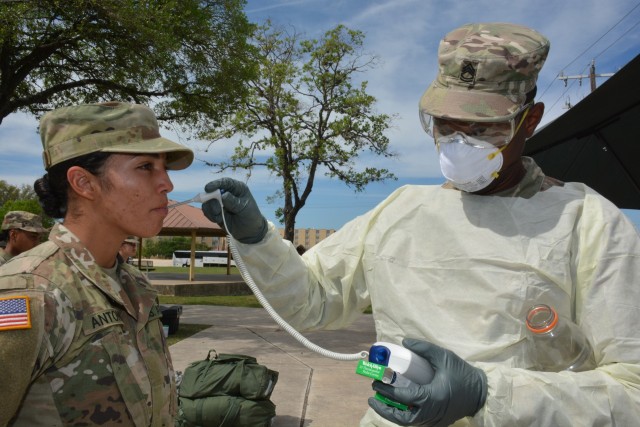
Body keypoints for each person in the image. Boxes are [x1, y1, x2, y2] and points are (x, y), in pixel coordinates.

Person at [200, 23, 640, 426]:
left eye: (482, 127)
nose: (458, 143)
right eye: (446, 125)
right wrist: (257, 240)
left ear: (531, 119)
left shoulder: (588, 221)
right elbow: (312, 302)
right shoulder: (400, 210)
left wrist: (491, 395)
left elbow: (631, 391)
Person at [0, 101, 193, 426]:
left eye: (165, 168)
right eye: (146, 167)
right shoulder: (30, 292)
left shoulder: (137, 287)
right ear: (84, 183)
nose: (167, 184)